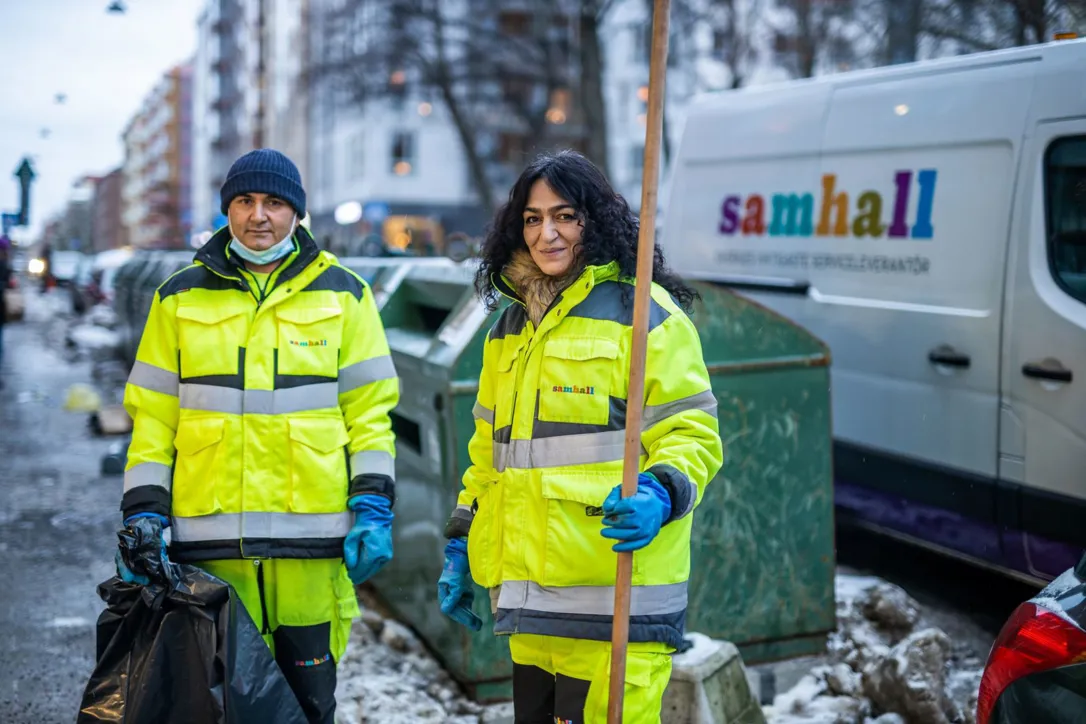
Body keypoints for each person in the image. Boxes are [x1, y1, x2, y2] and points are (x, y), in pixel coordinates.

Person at [437, 150, 723, 723]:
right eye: (533, 218)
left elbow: (692, 433)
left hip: (616, 606)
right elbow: (490, 456)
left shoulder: (644, 316)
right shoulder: (509, 329)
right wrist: (463, 537)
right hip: (531, 612)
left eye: (565, 216)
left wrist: (660, 493)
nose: (547, 234)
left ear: (595, 221)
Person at [118, 148, 399, 724]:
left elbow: (370, 413)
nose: (258, 215)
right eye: (244, 201)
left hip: (310, 555)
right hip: (211, 559)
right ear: (227, 210)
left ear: (296, 212)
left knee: (308, 706)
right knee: (215, 709)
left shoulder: (344, 295)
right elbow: (154, 418)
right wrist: (143, 511)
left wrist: (373, 504)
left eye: (274, 202)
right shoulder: (179, 296)